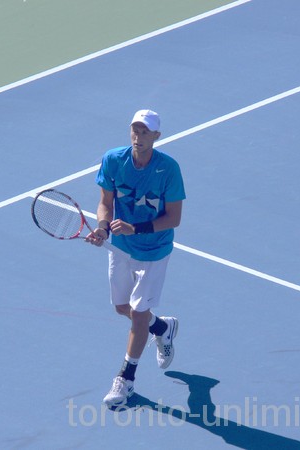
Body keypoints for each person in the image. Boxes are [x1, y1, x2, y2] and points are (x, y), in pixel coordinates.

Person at [86, 109, 186, 407]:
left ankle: (125, 379)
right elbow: (105, 203)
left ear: (157, 136)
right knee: (122, 308)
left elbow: (174, 218)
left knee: (138, 313)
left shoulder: (169, 169)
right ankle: (162, 328)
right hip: (121, 248)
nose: (138, 137)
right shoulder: (114, 160)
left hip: (154, 252)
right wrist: (103, 227)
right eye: (135, 130)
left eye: (145, 132)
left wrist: (136, 228)